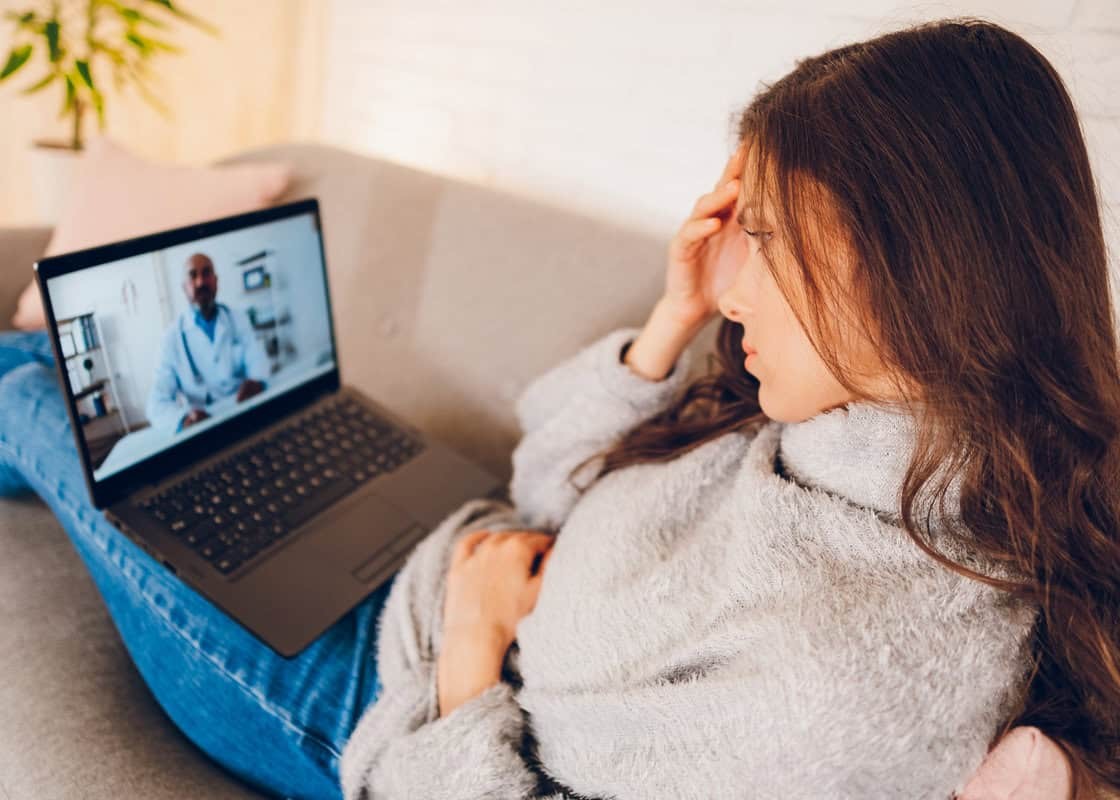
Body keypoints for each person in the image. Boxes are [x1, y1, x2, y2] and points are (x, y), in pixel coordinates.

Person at [0, 15, 1116, 800]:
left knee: (28, 388)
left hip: (365, 700)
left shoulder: (836, 688)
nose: (733, 288)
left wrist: (472, 657)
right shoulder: (850, 432)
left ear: (919, 262)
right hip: (446, 557)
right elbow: (551, 486)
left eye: (765, 244)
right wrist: (666, 325)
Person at [146, 252, 271, 431]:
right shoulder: (171, 339)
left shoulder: (238, 319)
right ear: (184, 287)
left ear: (216, 280)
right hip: (204, 426)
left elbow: (257, 358)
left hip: (244, 411)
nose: (200, 282)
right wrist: (183, 420)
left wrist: (257, 381)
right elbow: (156, 403)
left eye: (206, 273)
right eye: (193, 276)